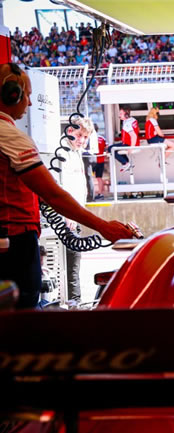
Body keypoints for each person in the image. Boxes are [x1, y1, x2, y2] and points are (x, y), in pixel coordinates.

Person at [0, 63, 133, 309]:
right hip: (14, 241)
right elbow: (52, 194)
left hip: (9, 239)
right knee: (20, 316)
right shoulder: (10, 136)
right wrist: (103, 227)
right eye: (27, 95)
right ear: (11, 95)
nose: (29, 103)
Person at [59, 117, 95, 305]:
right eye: (80, 135)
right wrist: (67, 214)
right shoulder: (62, 152)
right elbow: (61, 186)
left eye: (85, 137)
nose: (82, 140)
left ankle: (75, 301)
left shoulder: (76, 152)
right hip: (66, 217)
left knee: (74, 262)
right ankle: (74, 302)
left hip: (74, 215)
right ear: (71, 130)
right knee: (71, 262)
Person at [108, 107, 140, 172]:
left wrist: (131, 147)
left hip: (128, 144)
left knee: (110, 149)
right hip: (132, 143)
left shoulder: (127, 123)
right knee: (117, 148)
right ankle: (127, 163)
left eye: (121, 114)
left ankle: (125, 163)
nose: (119, 115)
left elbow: (133, 136)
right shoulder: (132, 120)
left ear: (126, 114)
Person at [92, 123, 107, 200]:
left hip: (92, 160)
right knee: (99, 178)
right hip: (101, 160)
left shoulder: (90, 138)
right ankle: (100, 194)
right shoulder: (102, 138)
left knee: (90, 177)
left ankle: (91, 193)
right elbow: (106, 148)